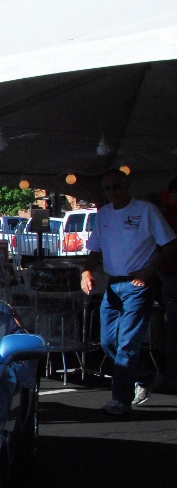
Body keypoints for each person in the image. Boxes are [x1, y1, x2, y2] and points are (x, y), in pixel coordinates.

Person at [81, 170, 177, 414]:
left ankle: (120, 399)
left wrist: (148, 270)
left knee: (127, 343)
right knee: (107, 341)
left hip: (139, 284)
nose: (112, 192)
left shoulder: (145, 210)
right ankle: (145, 376)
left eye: (116, 187)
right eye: (107, 188)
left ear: (126, 186)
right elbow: (94, 248)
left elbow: (170, 244)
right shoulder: (102, 214)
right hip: (114, 283)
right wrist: (86, 271)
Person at [157, 176, 177, 394]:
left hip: (170, 276)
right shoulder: (166, 216)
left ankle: (172, 376)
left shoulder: (165, 216)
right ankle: (172, 375)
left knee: (172, 329)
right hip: (170, 276)